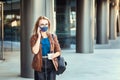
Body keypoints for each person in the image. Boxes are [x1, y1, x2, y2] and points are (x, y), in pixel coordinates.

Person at [30, 16, 61, 80]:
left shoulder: (53, 36)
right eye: (42, 24)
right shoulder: (34, 37)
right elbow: (35, 51)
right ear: (38, 26)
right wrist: (39, 37)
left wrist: (53, 55)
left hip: (51, 63)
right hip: (39, 64)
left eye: (46, 24)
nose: (44, 26)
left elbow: (58, 51)